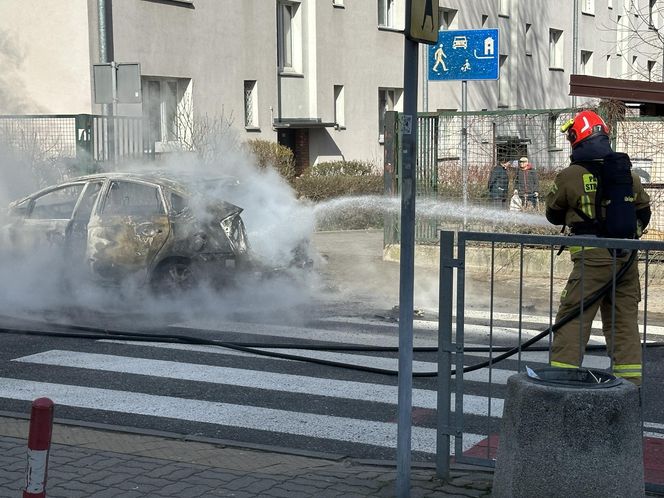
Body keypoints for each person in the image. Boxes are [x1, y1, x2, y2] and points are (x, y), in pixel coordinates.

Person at [545, 109, 651, 386]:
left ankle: (561, 381)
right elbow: (643, 209)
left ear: (577, 139)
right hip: (626, 259)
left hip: (592, 261)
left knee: (573, 319)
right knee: (623, 324)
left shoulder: (571, 175)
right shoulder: (626, 174)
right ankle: (630, 389)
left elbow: (553, 212)